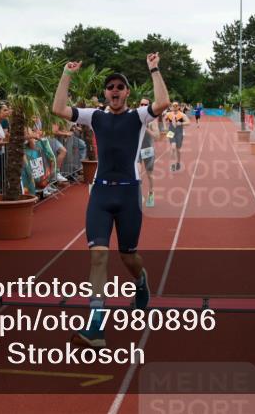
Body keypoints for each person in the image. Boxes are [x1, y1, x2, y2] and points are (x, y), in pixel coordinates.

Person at [52, 53, 169, 348]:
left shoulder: (138, 117)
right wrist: (67, 73)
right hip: (102, 193)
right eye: (110, 87)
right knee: (99, 255)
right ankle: (95, 326)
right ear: (105, 93)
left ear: (127, 92)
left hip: (129, 193)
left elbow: (163, 103)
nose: (114, 91)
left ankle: (140, 282)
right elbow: (58, 108)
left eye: (120, 87)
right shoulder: (95, 117)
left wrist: (154, 69)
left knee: (128, 256)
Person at [137, 98, 159, 207]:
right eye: (141, 104)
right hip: (137, 150)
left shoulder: (152, 120)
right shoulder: (135, 117)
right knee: (137, 173)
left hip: (148, 150)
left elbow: (157, 136)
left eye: (145, 104)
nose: (143, 105)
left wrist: (146, 128)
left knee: (149, 175)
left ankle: (151, 193)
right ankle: (139, 195)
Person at [163, 101, 191, 172]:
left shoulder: (182, 115)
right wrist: (165, 127)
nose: (174, 107)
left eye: (176, 106)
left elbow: (188, 122)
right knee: (173, 147)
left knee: (178, 149)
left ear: (178, 107)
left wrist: (181, 123)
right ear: (171, 107)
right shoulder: (168, 114)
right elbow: (164, 119)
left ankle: (178, 162)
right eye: (173, 106)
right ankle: (172, 164)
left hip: (179, 133)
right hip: (171, 132)